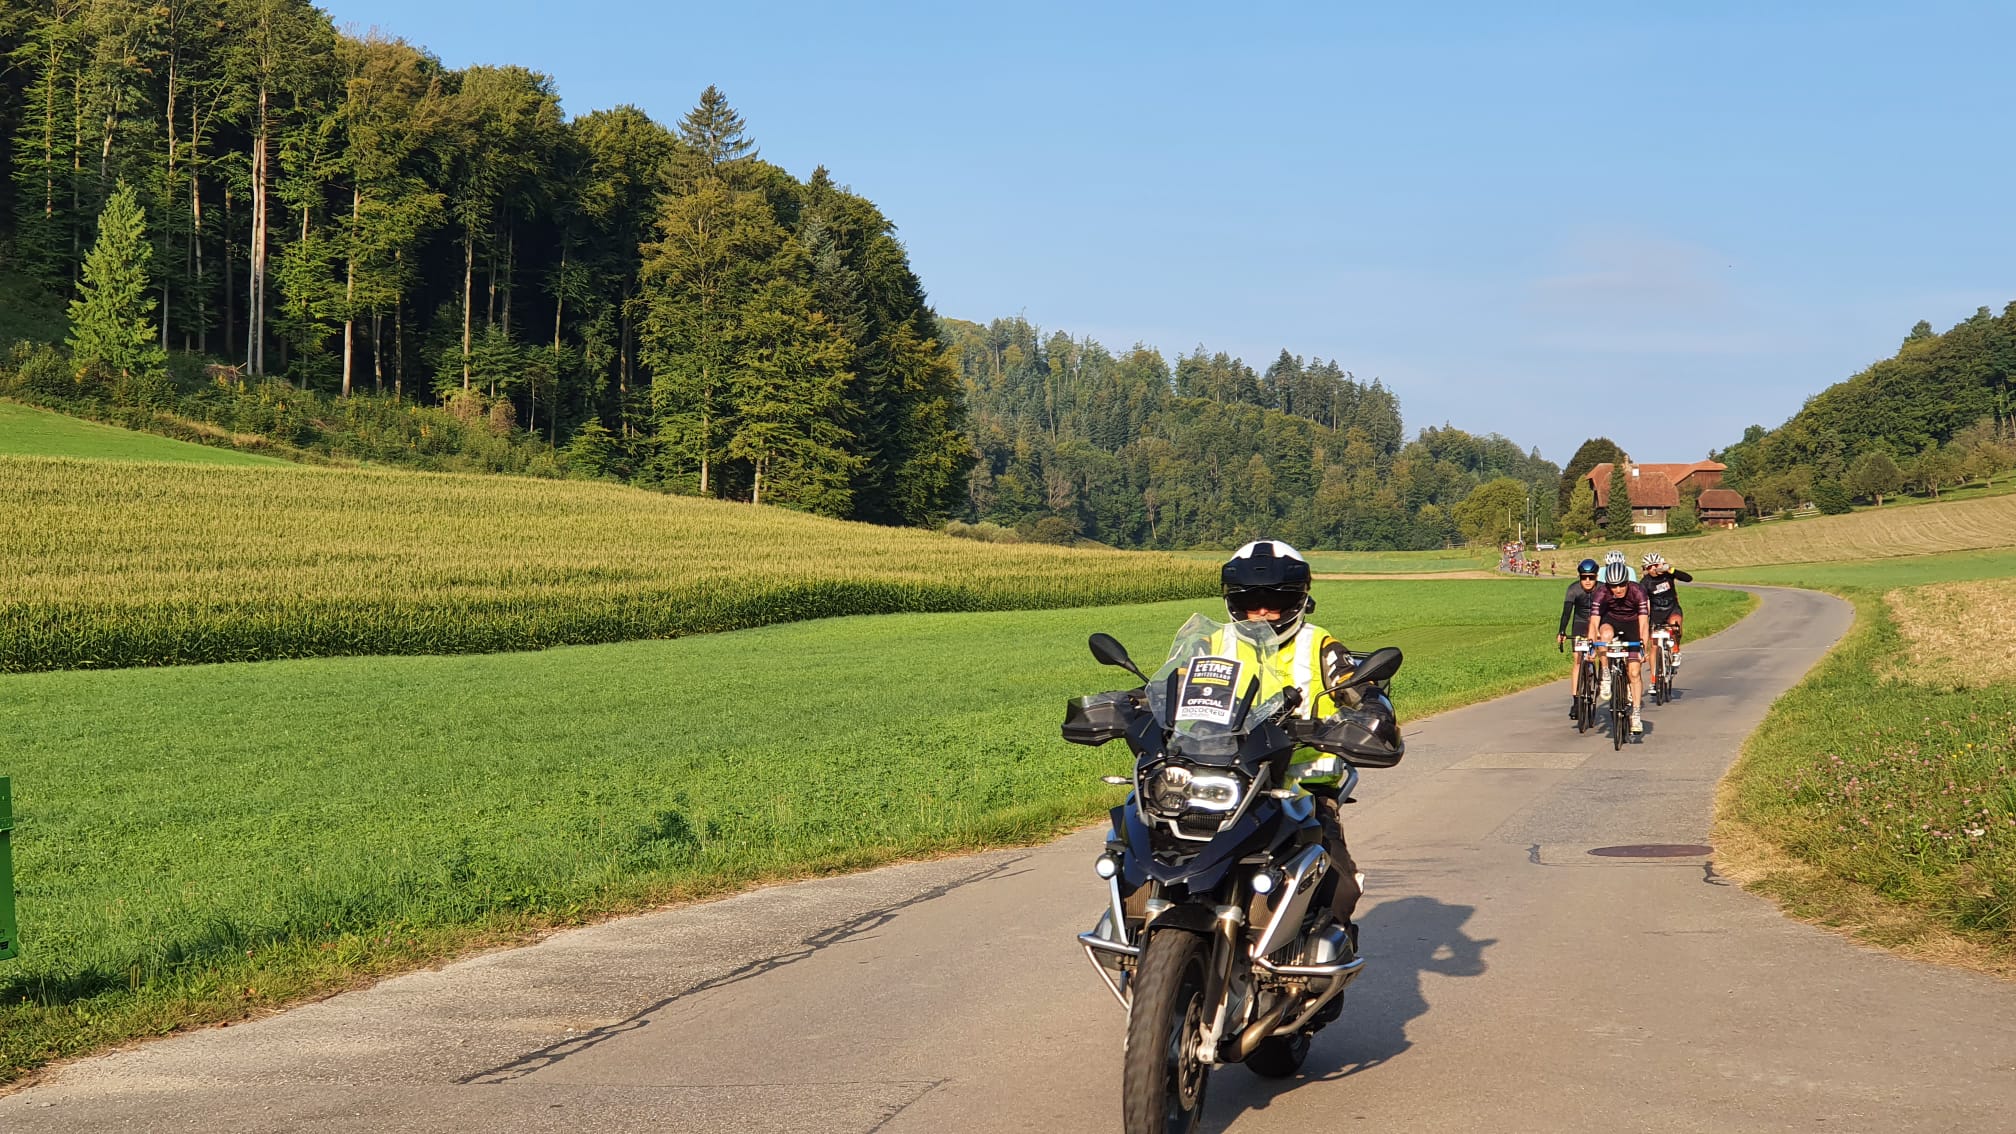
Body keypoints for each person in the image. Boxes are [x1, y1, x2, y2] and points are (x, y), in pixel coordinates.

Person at [1217, 539, 1393, 945]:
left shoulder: (1318, 644)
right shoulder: (1216, 643)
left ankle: (1321, 953)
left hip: (1300, 789)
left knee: (1338, 885)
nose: (1261, 611)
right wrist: (1134, 705)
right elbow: (1176, 687)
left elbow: (1357, 687)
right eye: (1250, 602)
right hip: (1224, 776)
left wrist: (1373, 712)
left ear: (1297, 602)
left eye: (1273, 602)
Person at [1587, 561, 1652, 734]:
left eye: (1622, 584)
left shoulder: (1638, 591)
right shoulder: (1601, 593)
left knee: (1634, 672)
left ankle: (1636, 714)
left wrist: (1643, 647)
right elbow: (1594, 623)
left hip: (1633, 625)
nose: (1618, 589)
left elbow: (1644, 623)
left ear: (1627, 582)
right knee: (1605, 636)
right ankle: (1606, 673)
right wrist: (1591, 645)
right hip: (1611, 621)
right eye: (1613, 586)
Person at [1557, 558, 1602, 717]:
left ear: (1596, 576)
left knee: (1601, 652)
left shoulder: (1603, 589)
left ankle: (1603, 677)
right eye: (1584, 577)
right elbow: (1566, 613)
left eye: (1591, 577)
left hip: (1598, 623)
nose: (1588, 581)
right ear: (1580, 577)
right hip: (1580, 623)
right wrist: (1561, 632)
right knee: (1577, 659)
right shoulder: (1573, 589)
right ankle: (1576, 701)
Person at [1641, 553, 1694, 667]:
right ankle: (1654, 681)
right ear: (1646, 568)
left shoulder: (1668, 575)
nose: (1654, 568)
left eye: (1656, 565)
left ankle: (1675, 650)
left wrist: (1671, 569)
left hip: (1672, 609)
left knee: (1675, 625)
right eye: (1650, 567)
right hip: (1656, 613)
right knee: (1654, 645)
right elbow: (1642, 601)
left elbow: (1688, 578)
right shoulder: (1645, 582)